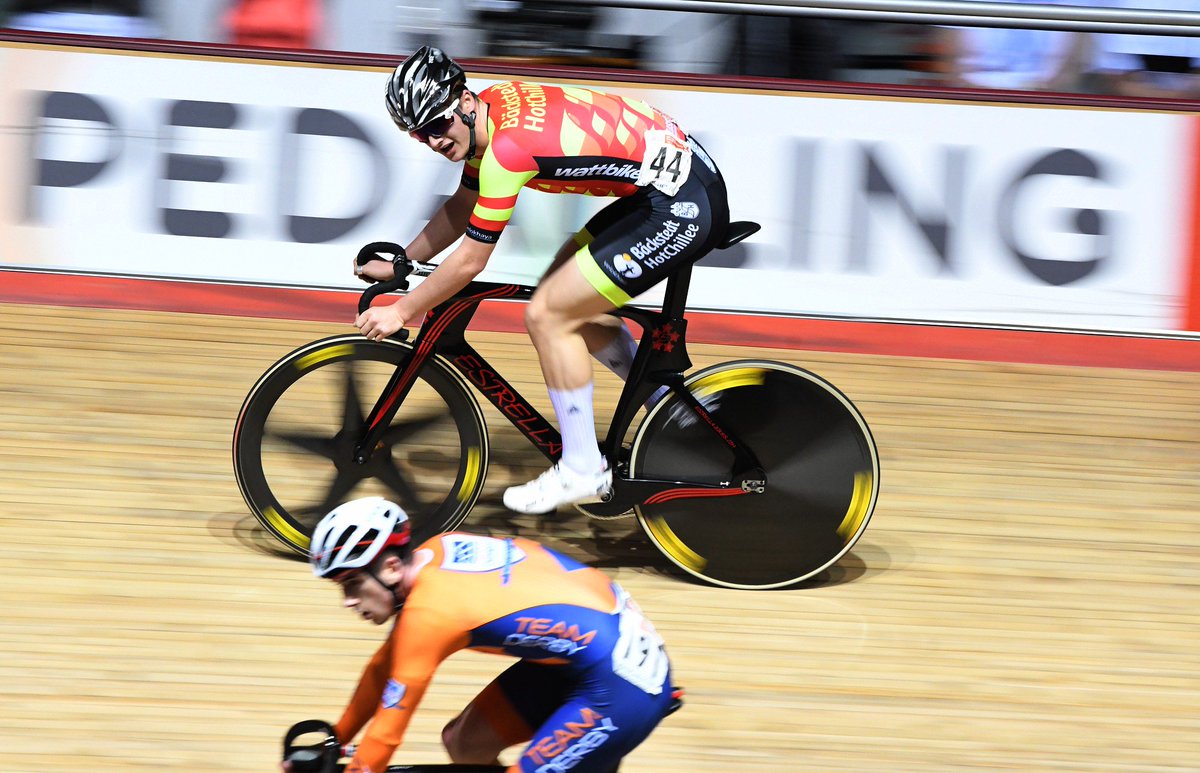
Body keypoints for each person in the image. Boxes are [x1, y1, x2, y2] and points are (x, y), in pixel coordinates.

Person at [353, 45, 731, 514]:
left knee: (548, 314)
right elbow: (462, 205)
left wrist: (402, 310)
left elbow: (471, 261)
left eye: (437, 125)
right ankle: (669, 407)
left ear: (464, 102)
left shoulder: (507, 151)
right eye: (418, 134)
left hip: (681, 204)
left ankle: (582, 468)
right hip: (668, 187)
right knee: (564, 289)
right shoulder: (490, 112)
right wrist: (403, 263)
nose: (431, 141)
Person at [297, 497, 675, 773]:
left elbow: (387, 736)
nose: (348, 601)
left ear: (392, 567)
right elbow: (383, 669)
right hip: (593, 653)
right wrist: (337, 740)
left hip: (623, 685)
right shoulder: (436, 551)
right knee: (465, 743)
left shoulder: (428, 613)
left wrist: (357, 765)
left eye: (352, 584)